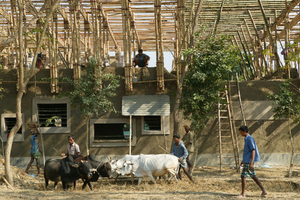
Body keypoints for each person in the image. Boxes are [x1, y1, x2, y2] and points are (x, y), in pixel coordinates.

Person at [236, 125, 267, 198]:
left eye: (241, 132)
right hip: (247, 161)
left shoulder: (249, 139)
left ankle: (243, 194)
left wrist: (251, 163)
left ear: (244, 132)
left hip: (249, 161)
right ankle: (263, 190)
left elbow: (253, 151)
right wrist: (243, 161)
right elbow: (248, 152)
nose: (240, 133)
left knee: (243, 176)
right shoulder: (247, 139)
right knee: (252, 176)